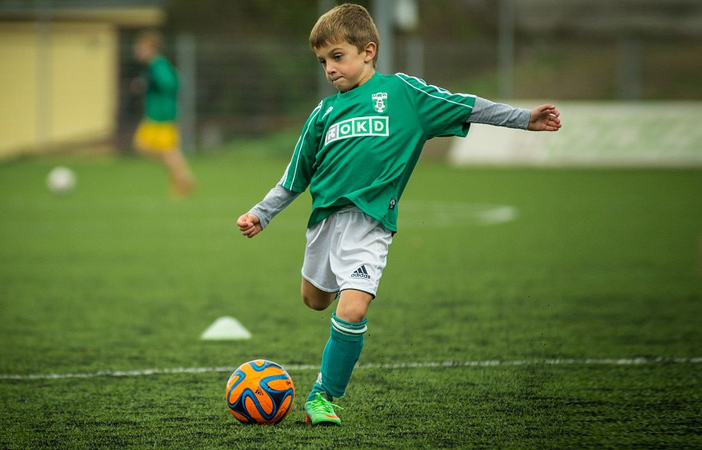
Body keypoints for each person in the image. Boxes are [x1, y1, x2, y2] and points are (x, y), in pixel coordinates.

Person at [236, 3, 561, 427]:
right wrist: (262, 214)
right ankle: (341, 299)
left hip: (371, 225)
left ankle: (323, 396)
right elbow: (294, 177)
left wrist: (523, 118)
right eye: (322, 61)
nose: (330, 68)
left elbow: (466, 105)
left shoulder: (404, 94)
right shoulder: (323, 114)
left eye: (338, 56)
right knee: (315, 300)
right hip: (324, 225)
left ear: (368, 51)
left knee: (352, 310)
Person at [132, 30, 195, 198]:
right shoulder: (153, 66)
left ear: (151, 48)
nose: (137, 50)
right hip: (155, 114)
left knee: (167, 151)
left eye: (141, 47)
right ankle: (181, 176)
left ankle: (183, 179)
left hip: (162, 115)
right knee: (145, 147)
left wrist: (150, 82)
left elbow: (171, 83)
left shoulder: (157, 64)